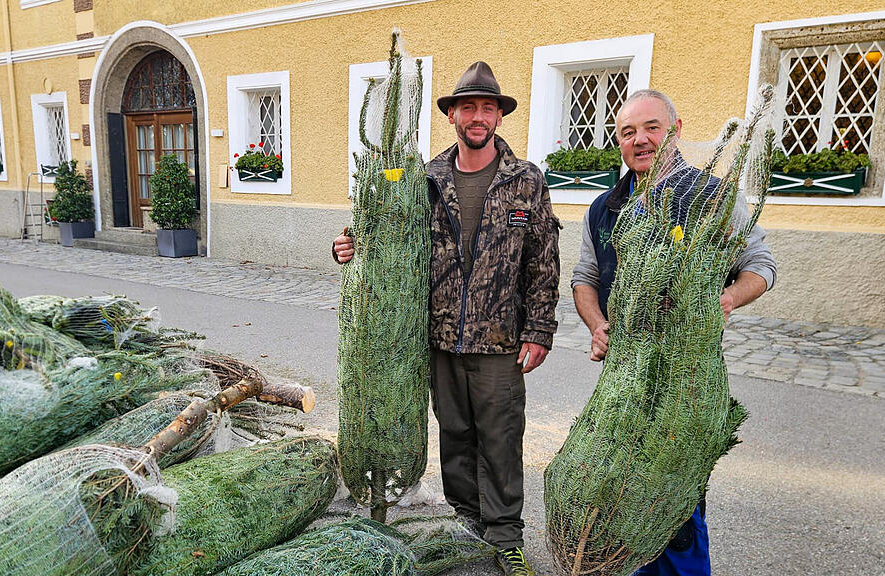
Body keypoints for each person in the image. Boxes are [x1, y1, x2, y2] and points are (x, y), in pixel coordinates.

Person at [333, 61, 560, 576]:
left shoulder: (525, 181)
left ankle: (504, 536)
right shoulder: (425, 179)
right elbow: (381, 226)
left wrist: (539, 329)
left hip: (500, 340)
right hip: (437, 338)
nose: (477, 116)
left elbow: (544, 262)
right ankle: (465, 524)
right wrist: (347, 245)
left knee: (500, 439)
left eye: (487, 108)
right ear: (452, 115)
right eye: (467, 107)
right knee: (454, 435)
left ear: (498, 117)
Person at [570, 89, 777, 576]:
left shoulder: (712, 198)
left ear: (676, 129)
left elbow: (761, 266)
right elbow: (585, 278)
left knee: (677, 497)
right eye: (627, 132)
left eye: (651, 128)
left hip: (684, 379)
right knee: (619, 492)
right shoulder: (605, 208)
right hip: (623, 380)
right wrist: (598, 325)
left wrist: (723, 300)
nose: (639, 140)